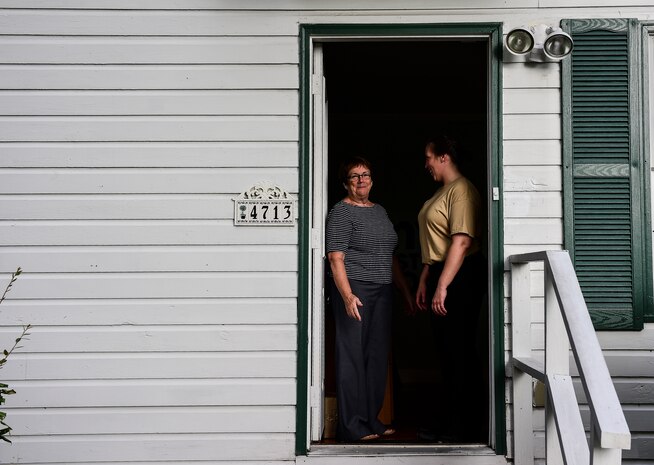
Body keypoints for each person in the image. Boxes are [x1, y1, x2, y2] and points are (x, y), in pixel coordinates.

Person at [326, 156, 414, 442]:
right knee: (352, 356)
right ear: (345, 183)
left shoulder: (380, 211)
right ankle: (351, 425)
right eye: (354, 176)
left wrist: (403, 291)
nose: (361, 180)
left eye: (365, 174)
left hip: (383, 289)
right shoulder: (341, 212)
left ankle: (370, 419)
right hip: (356, 290)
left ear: (372, 180)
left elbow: (389, 256)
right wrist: (347, 294)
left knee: (376, 357)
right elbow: (335, 258)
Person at [415, 135, 486, 442]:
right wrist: (425, 277)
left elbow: (461, 241)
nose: (426, 163)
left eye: (428, 157)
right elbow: (438, 242)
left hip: (461, 275)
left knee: (460, 351)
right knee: (446, 353)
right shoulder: (442, 192)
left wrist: (443, 285)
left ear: (444, 157)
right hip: (442, 272)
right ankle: (450, 422)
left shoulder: (462, 191)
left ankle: (466, 426)